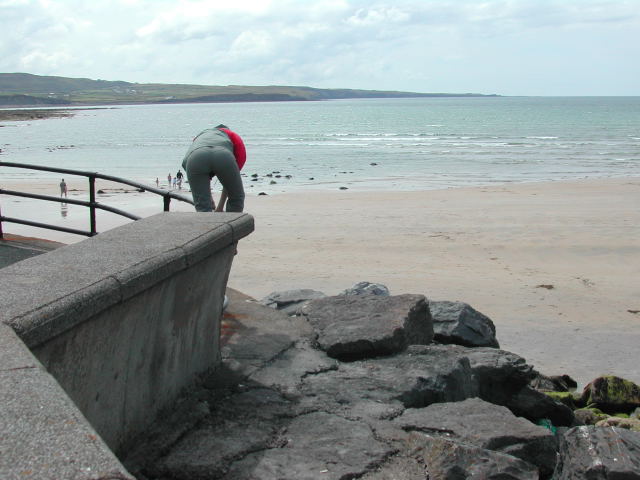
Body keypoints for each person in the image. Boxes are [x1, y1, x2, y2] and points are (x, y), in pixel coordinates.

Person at [181, 124, 246, 212]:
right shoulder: (232, 135)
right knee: (236, 197)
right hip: (223, 155)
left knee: (202, 205)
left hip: (195, 157)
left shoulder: (201, 136)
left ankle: (206, 220)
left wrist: (209, 197)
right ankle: (233, 219)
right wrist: (220, 207)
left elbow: (187, 164)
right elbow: (230, 182)